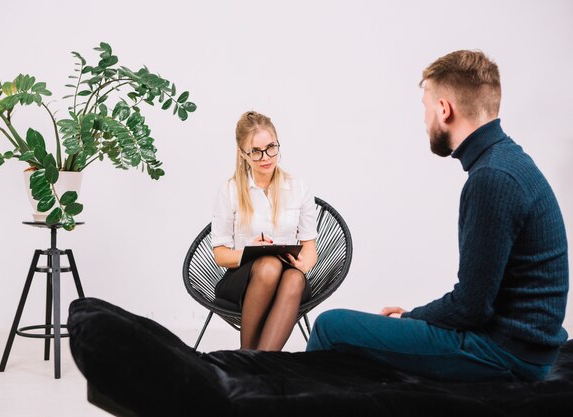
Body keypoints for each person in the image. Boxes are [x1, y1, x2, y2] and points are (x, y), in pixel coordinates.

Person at [307, 50, 569, 382]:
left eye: (426, 107)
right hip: (522, 348)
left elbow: (471, 308)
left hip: (506, 354)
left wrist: (407, 319)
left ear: (444, 109)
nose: (425, 118)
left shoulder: (492, 178)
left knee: (331, 325)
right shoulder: (508, 161)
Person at [211, 110, 318, 351]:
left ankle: (255, 365)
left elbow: (310, 247)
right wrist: (252, 252)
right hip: (243, 279)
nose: (265, 157)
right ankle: (249, 357)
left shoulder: (298, 187)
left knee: (292, 277)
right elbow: (220, 255)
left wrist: (304, 265)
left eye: (271, 147)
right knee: (269, 266)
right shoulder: (229, 191)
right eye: (256, 151)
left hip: (290, 274)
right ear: (243, 154)